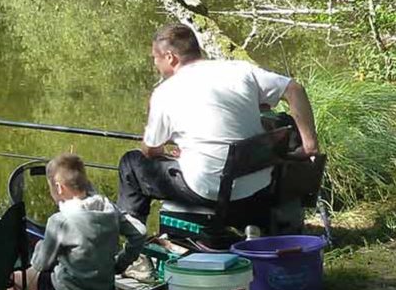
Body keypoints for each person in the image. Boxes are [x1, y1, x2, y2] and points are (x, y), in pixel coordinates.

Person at [117, 23, 319, 266]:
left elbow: (150, 150)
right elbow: (294, 89)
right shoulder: (238, 69)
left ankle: (135, 252)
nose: (155, 64)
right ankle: (246, 229)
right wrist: (309, 145)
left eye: (155, 58)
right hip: (257, 186)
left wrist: (170, 154)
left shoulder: (165, 92)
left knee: (131, 163)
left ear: (170, 57)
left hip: (210, 191)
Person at [5, 154, 120, 290]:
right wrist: (120, 264)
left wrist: (42, 244)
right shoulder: (108, 208)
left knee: (9, 278)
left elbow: (40, 264)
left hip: (71, 287)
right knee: (42, 280)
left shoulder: (60, 220)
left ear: (59, 187)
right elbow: (139, 233)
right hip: (104, 282)